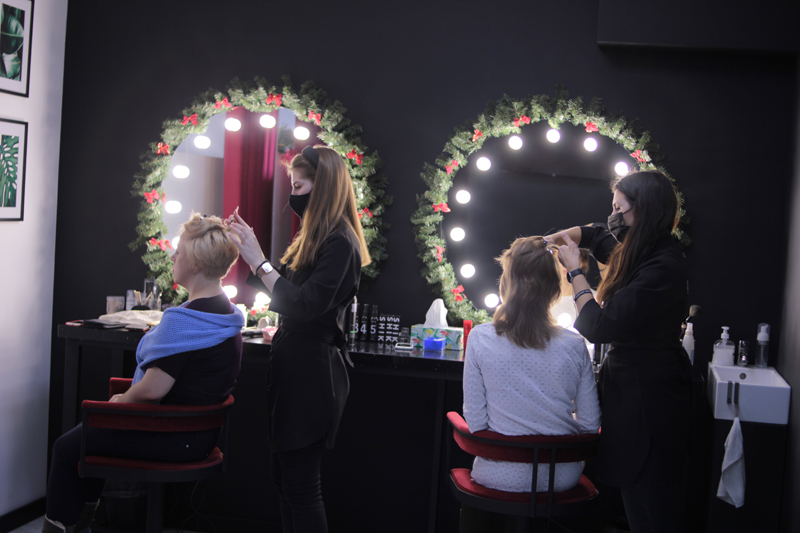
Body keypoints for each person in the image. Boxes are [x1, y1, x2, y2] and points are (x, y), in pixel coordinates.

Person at [43, 213, 244, 533]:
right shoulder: (226, 313)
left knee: (67, 449)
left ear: (196, 264)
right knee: (89, 435)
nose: (173, 257)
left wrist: (121, 400)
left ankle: (65, 528)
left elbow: (152, 390)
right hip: (199, 436)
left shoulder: (186, 323)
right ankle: (81, 524)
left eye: (179, 251)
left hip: (172, 436)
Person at [226, 145, 370, 533]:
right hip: (295, 367)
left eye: (298, 186)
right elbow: (289, 289)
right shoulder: (316, 238)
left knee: (302, 488)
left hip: (312, 374)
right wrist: (251, 252)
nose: (293, 195)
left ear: (322, 188)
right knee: (285, 482)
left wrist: (259, 261)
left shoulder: (341, 243)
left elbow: (305, 304)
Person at [546, 170, 691, 532]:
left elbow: (599, 326)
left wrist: (575, 272)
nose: (612, 217)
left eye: (618, 209)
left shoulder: (662, 266)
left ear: (644, 209)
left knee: (649, 506)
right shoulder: (641, 248)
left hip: (650, 400)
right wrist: (552, 240)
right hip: (632, 390)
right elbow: (595, 235)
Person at [461, 236, 601, 533]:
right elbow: (590, 426)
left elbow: (475, 423)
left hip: (497, 475)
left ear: (506, 283)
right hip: (560, 478)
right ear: (554, 288)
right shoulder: (575, 345)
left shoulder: (480, 338)